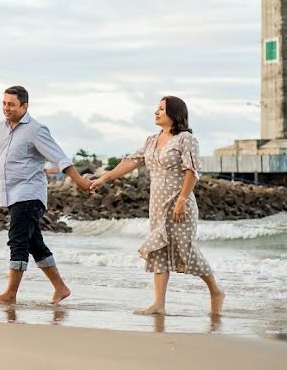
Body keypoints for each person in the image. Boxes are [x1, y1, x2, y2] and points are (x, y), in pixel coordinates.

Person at [89, 95, 225, 316]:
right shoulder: (152, 140)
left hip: (179, 204)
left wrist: (181, 200)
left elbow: (192, 171)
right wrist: (105, 177)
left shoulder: (185, 139)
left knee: (186, 251)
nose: (156, 112)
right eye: (157, 108)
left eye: (161, 109)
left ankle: (216, 291)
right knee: (158, 251)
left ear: (174, 113)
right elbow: (131, 161)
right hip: (158, 205)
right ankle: (159, 304)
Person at [0, 85, 92, 305]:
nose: (6, 108)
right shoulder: (0, 128)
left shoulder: (36, 130)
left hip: (29, 193)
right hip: (10, 194)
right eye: (4, 103)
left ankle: (10, 294)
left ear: (24, 106)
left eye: (11, 104)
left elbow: (59, 157)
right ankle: (61, 288)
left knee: (17, 241)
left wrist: (79, 180)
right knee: (34, 243)